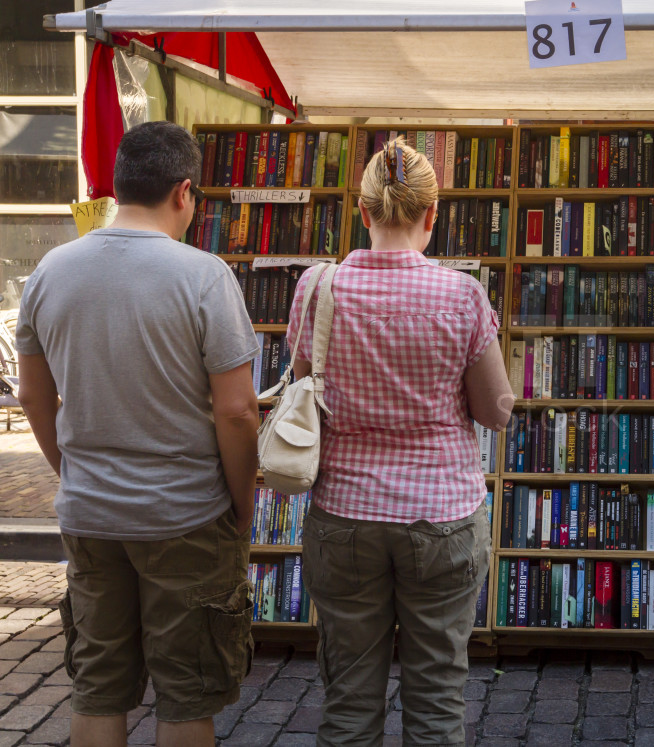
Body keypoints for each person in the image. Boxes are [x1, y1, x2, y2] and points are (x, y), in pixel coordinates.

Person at [15, 121, 260, 747]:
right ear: (184, 192)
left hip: (91, 514)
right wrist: (244, 504)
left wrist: (70, 470)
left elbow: (33, 397)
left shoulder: (50, 272)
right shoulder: (205, 277)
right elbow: (236, 413)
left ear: (119, 186)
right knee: (185, 695)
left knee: (98, 686)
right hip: (184, 513)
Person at [290, 138, 512, 745]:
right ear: (431, 217)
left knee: (348, 703)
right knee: (438, 700)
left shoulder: (317, 288)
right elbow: (495, 412)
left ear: (362, 212)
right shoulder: (462, 295)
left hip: (344, 513)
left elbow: (308, 383)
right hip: (441, 516)